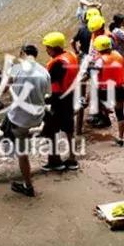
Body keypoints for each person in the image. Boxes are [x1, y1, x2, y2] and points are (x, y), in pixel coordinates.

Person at [5, 44, 52, 197]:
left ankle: (28, 185)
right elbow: (47, 94)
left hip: (20, 120)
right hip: (37, 118)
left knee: (22, 153)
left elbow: (4, 88)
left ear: (23, 53)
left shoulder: (17, 69)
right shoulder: (45, 71)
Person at [41, 31, 80, 172]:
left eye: (48, 47)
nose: (46, 50)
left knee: (50, 130)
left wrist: (45, 99)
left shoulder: (57, 64)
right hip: (70, 96)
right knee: (69, 130)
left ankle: (55, 160)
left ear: (55, 48)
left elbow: (51, 84)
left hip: (59, 100)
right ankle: (72, 158)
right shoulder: (71, 56)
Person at [90, 35, 124, 145]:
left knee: (96, 101)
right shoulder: (118, 56)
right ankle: (121, 137)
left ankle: (105, 117)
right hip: (119, 88)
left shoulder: (100, 60)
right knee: (120, 113)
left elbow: (94, 74)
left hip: (105, 90)